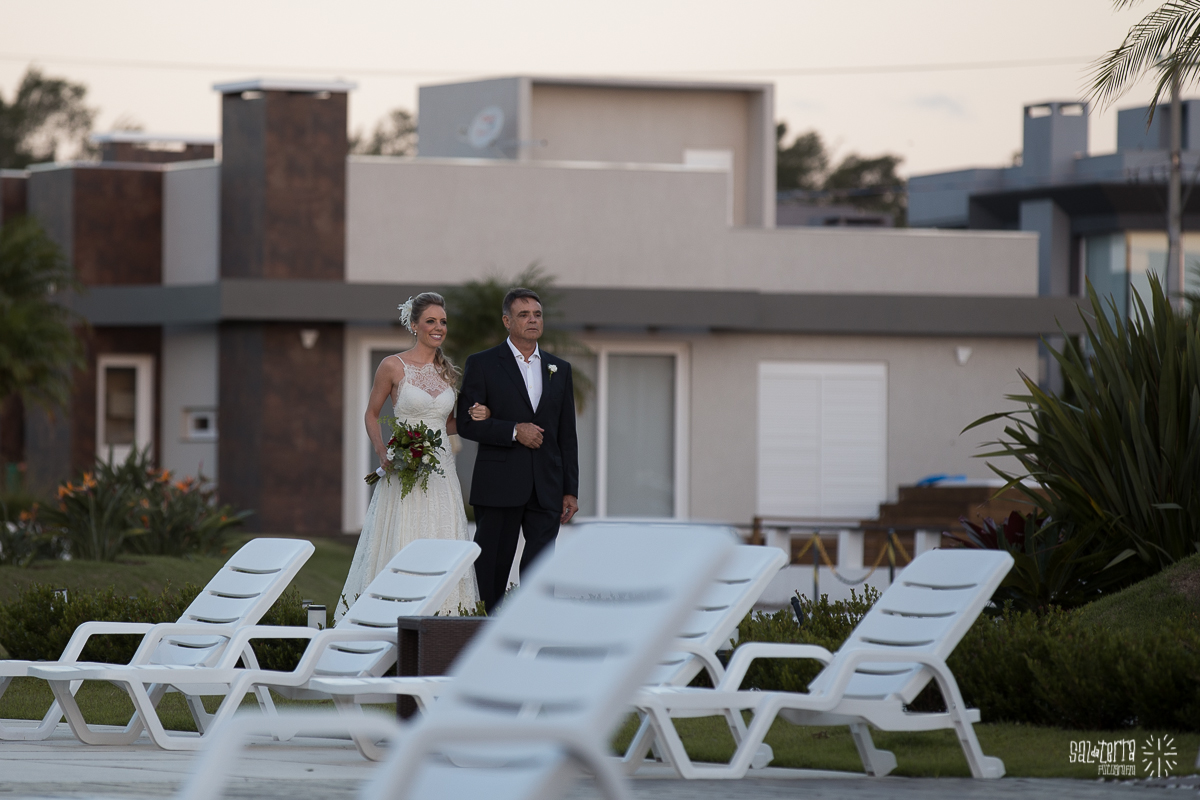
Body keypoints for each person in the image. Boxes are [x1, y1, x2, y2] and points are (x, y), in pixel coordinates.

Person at [337, 292, 489, 620]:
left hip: (442, 472)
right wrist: (382, 451)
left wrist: (475, 417)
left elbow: (448, 423)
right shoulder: (392, 366)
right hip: (404, 467)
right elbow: (371, 414)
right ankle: (388, 617)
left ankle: (445, 619)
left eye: (443, 322)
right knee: (404, 535)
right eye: (431, 321)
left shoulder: (448, 372)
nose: (438, 327)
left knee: (442, 534)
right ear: (414, 325)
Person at [456, 287, 580, 613]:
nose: (532, 320)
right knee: (492, 569)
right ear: (507, 321)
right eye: (524, 315)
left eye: (537, 314)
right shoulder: (482, 364)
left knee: (541, 572)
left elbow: (567, 434)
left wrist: (570, 489)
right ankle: (485, 631)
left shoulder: (559, 369)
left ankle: (534, 629)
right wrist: (513, 431)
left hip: (547, 488)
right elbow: (466, 424)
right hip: (499, 484)